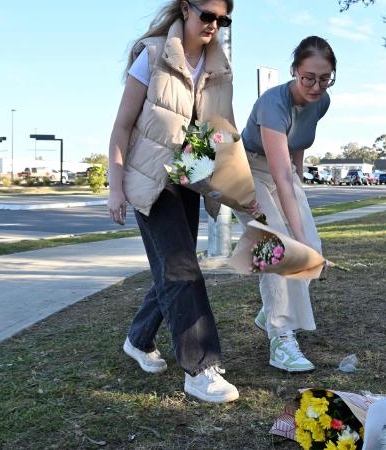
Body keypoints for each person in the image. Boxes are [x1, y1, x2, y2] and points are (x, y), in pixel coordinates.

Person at [106, 0, 239, 403]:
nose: (214, 24)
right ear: (185, 8)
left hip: (189, 178)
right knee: (181, 267)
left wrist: (237, 188)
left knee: (176, 266)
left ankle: (138, 338)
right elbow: (121, 126)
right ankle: (200, 369)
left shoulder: (220, 70)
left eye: (222, 19)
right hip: (149, 179)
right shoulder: (152, 55)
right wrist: (115, 188)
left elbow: (223, 132)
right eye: (207, 15)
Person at [233, 36, 336, 373]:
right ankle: (280, 337)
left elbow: (299, 141)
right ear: (294, 71)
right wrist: (297, 239)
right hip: (248, 170)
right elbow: (279, 177)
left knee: (312, 248)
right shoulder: (272, 104)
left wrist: (299, 178)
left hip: (283, 170)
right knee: (277, 246)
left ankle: (269, 314)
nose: (316, 87)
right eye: (308, 78)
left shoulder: (321, 101)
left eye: (325, 78)